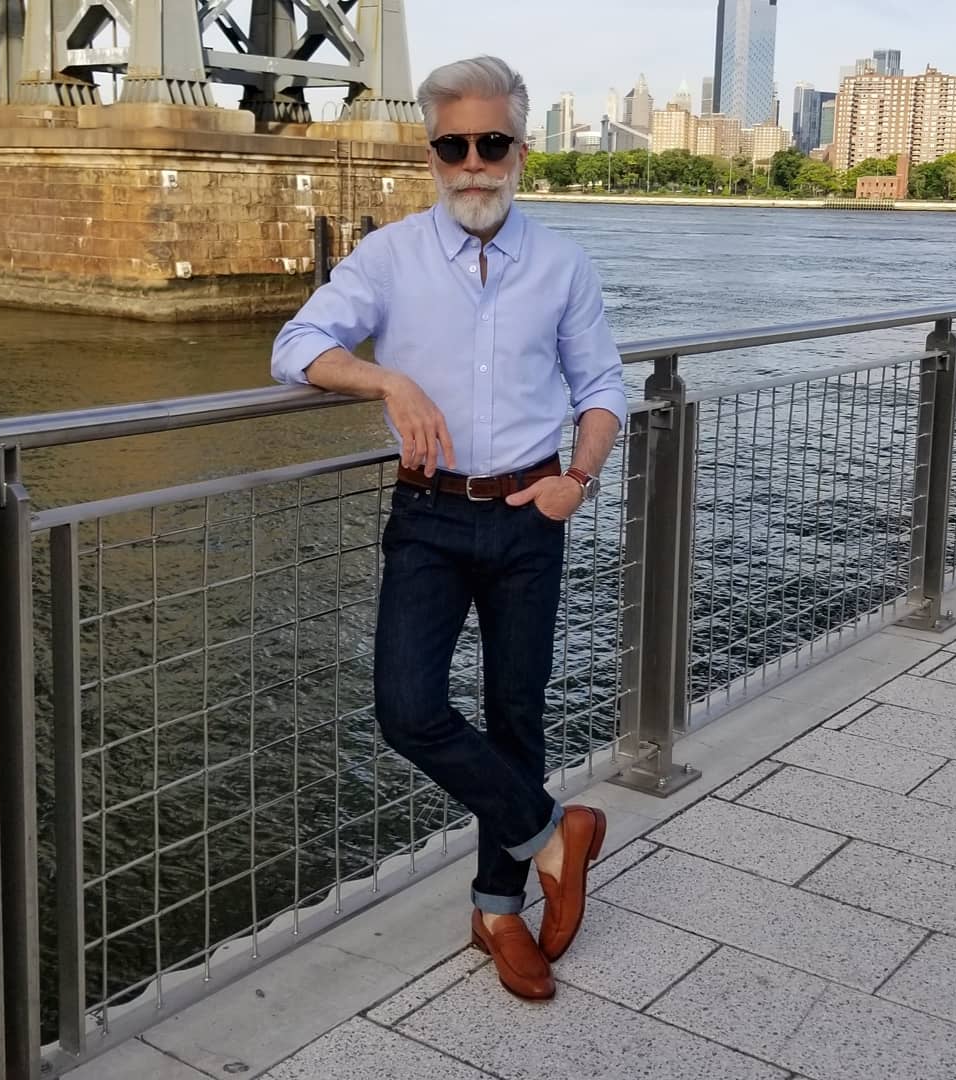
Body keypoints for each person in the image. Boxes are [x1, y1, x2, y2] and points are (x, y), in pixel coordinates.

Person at [271, 55, 627, 1001]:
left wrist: (578, 480)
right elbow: (295, 347)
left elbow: (601, 393)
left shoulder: (562, 263)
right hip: (428, 516)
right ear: (432, 153)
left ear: (520, 148)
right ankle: (557, 834)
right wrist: (388, 379)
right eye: (452, 145)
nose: (473, 162)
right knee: (406, 705)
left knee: (517, 712)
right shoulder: (388, 256)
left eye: (491, 143)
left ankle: (497, 910)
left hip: (530, 511)